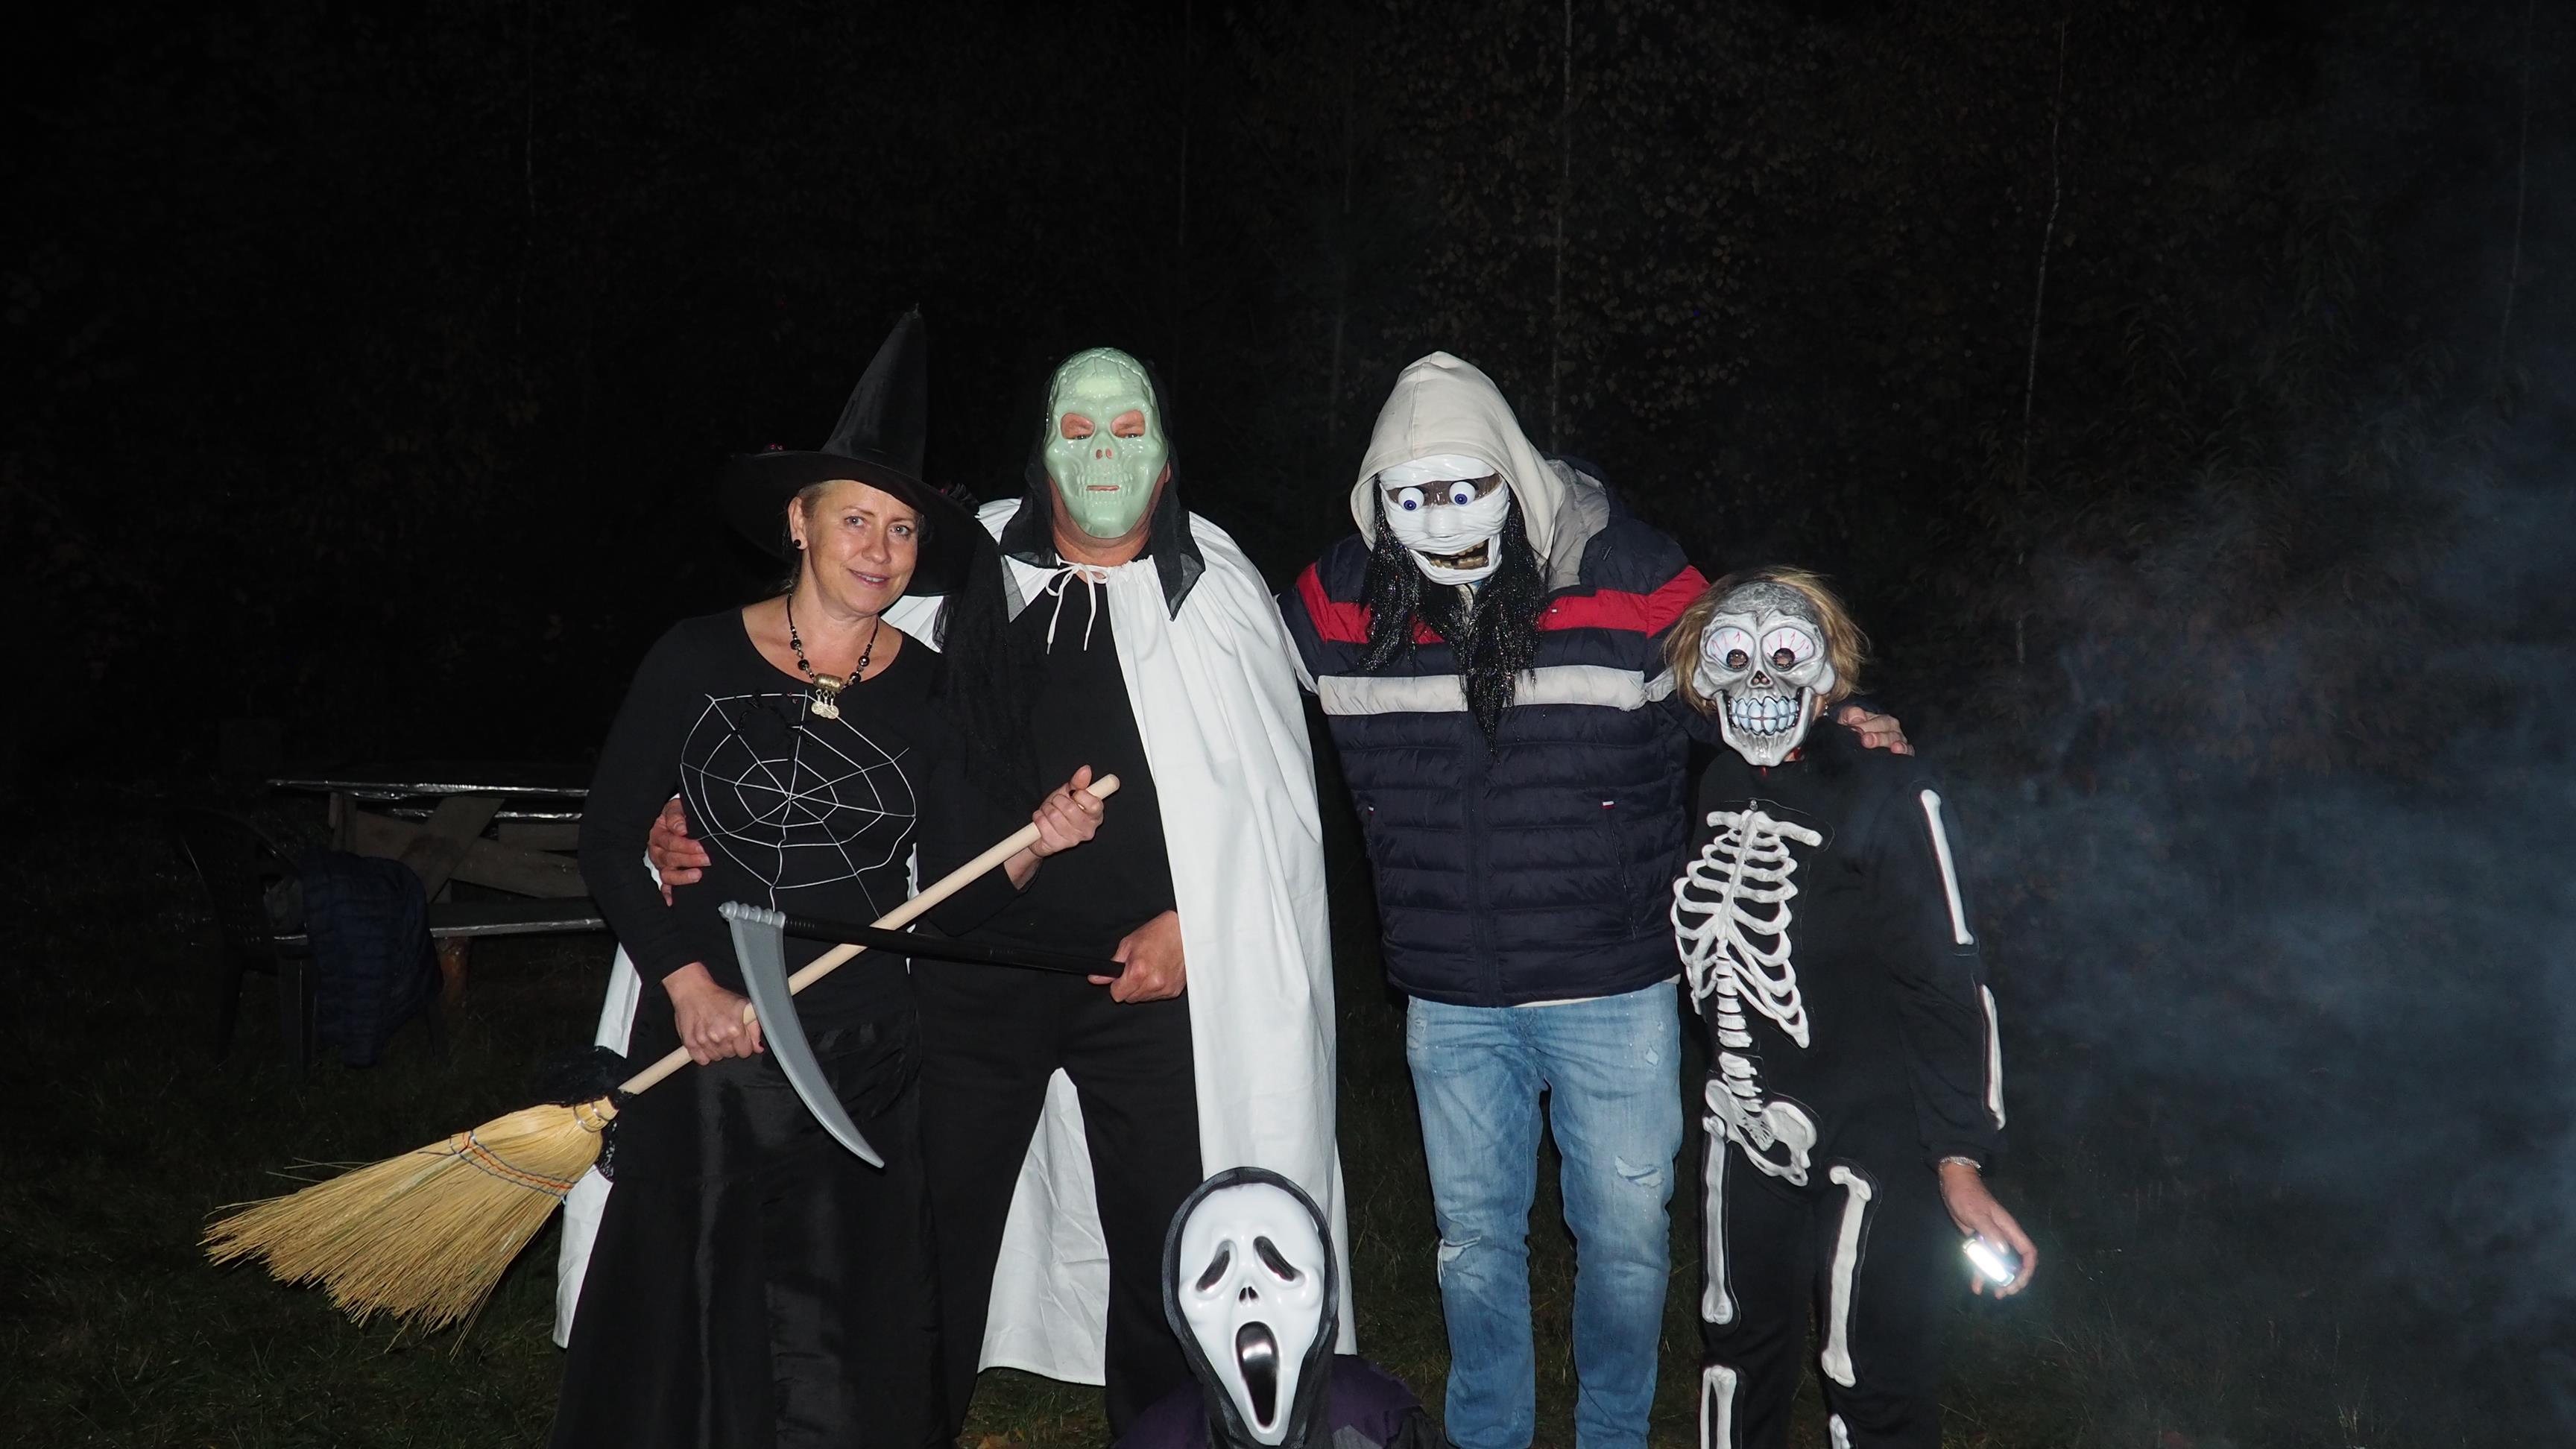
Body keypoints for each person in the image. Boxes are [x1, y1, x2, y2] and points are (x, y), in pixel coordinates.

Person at [649, 345, 1351, 1438]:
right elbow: (838, 731)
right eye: (1079, 430)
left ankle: (1164, 1432)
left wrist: (1196, 927)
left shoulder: (1214, 591)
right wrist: (700, 809)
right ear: (1043, 452)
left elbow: (1269, 817)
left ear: (1168, 464)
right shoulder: (956, 573)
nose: (1105, 455)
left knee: (1170, 1242)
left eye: (1131, 432)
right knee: (932, 1235)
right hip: (965, 977)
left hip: (1148, 983)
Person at [1277, 352, 1908, 1449]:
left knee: (1623, 1242)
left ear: (1514, 474)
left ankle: (1612, 1434)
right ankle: (1489, 1435)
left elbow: (1750, 688)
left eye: (1466, 486)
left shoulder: (1632, 576)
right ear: (1376, 499)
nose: (1443, 517)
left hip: (1613, 988)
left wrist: (1841, 727)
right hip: (1450, 996)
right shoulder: (1339, 604)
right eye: (1412, 497)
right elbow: (1217, 668)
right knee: (1473, 1243)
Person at [552, 314, 1108, 1449]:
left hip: (858, 1057)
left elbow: (950, 897)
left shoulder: (934, 689)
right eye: (856, 520)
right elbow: (609, 841)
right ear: (799, 522)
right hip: (710, 1050)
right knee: (695, 1325)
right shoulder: (696, 657)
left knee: (841, 1338)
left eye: (902, 530)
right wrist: (689, 986)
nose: (881, 550)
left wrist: (1036, 843)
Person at [1664, 566, 2035, 1449]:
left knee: (1869, 1375)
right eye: (1734, 658)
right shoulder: (1717, 784)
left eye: (1786, 656)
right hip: (1744, 1121)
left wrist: (1960, 1159)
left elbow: (1948, 979)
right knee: (1733, 1352)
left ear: (1829, 672)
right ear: (1702, 678)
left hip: (1875, 1140)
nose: (1761, 681)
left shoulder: (1895, 792)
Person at [1119, 1167, 1440, 1449]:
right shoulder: (1161, 1439)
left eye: (1280, 1268)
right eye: (1213, 1277)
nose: (1248, 1292)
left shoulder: (1379, 1424)